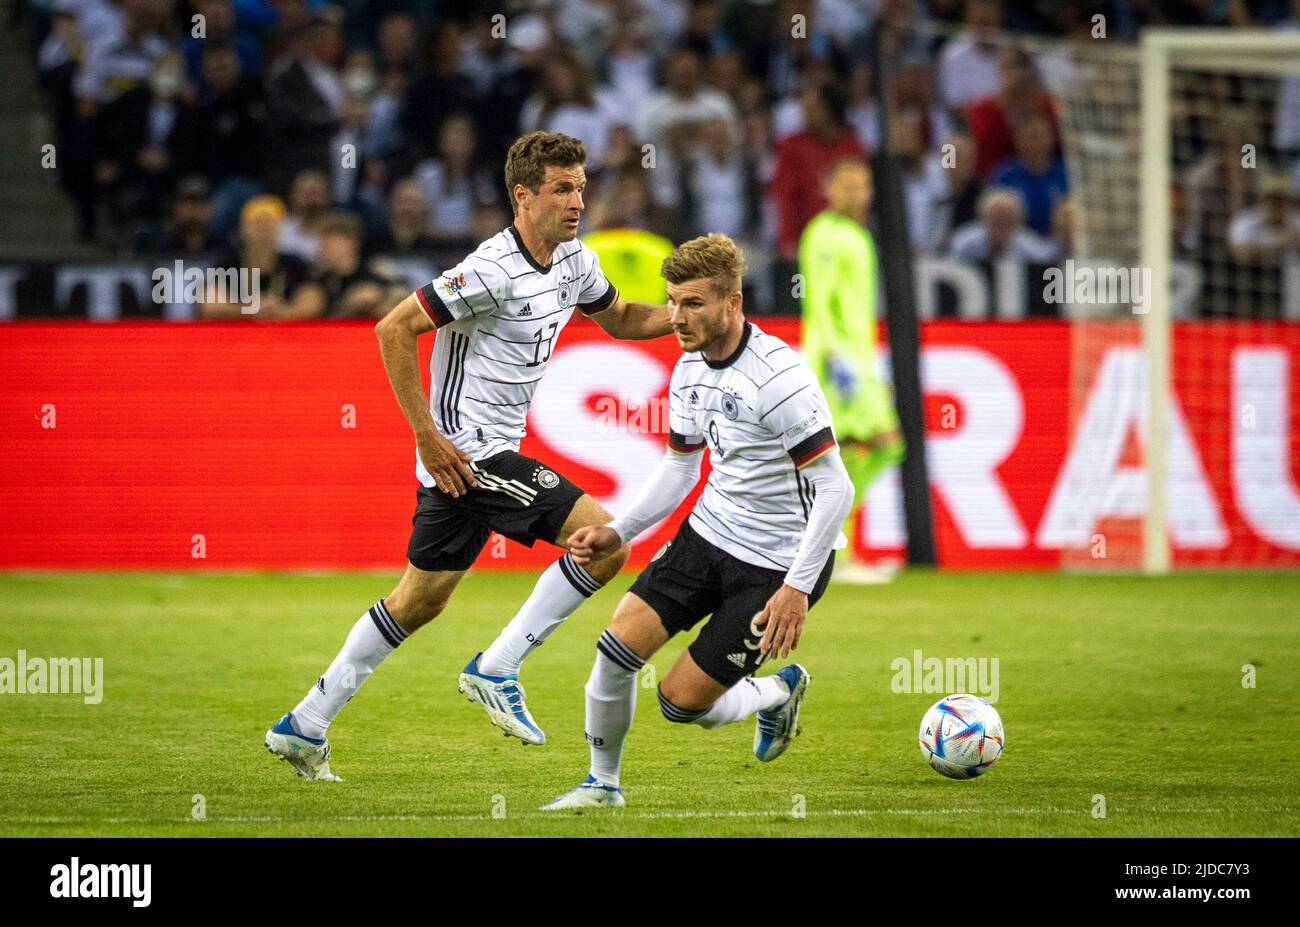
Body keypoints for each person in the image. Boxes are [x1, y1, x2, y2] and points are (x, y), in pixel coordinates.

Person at [265, 132, 674, 780]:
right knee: (606, 539)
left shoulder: (573, 262)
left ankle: (304, 723)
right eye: (562, 189)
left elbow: (622, 317)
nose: (577, 201)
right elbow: (392, 327)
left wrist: (686, 317)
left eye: (581, 188)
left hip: (476, 460)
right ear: (523, 195)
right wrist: (426, 434)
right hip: (468, 453)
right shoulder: (489, 269)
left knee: (418, 599)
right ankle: (498, 665)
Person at [540, 233, 853, 810]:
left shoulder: (778, 380)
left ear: (733, 302)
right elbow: (681, 471)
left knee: (680, 703)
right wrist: (619, 531)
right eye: (673, 302)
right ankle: (602, 786)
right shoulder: (688, 368)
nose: (676, 318)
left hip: (777, 565)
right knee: (615, 650)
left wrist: (795, 589)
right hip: (708, 535)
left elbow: (837, 487)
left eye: (693, 304)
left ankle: (777, 692)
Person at [798, 159, 904, 583]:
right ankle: (837, 550)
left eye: (862, 186)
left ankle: (836, 546)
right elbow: (821, 301)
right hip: (835, 360)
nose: (857, 193)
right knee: (877, 444)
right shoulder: (824, 234)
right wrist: (836, 358)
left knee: (860, 449)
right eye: (847, 185)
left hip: (859, 358)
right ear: (830, 189)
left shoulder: (858, 235)